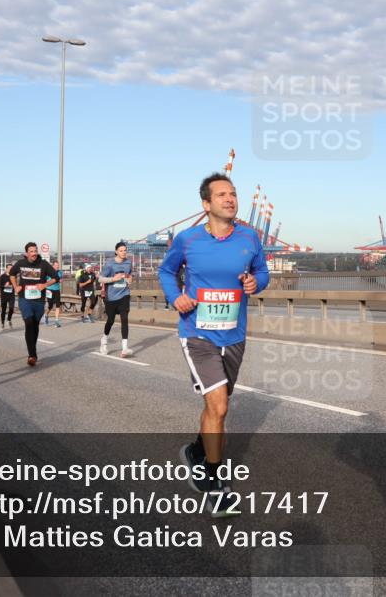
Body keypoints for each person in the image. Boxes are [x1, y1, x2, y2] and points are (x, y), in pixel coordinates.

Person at [159, 173, 269, 517]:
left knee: (215, 407)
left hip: (234, 334)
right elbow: (166, 272)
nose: (230, 199)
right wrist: (176, 298)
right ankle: (215, 483)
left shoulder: (250, 237)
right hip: (197, 333)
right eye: (222, 195)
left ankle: (196, 450)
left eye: (233, 194)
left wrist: (255, 282)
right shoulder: (187, 239)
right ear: (206, 204)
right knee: (219, 407)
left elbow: (263, 272)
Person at [9, 242, 58, 366]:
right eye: (31, 251)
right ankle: (32, 355)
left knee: (35, 326)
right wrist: (15, 287)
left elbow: (56, 277)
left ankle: (33, 352)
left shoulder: (44, 264)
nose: (34, 253)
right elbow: (12, 274)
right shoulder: (21, 263)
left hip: (39, 300)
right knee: (29, 322)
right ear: (27, 253)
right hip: (24, 299)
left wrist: (44, 285)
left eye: (35, 251)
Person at [98, 244, 134, 356]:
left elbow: (129, 275)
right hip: (111, 297)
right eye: (121, 250)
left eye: (125, 250)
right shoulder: (110, 264)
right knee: (111, 320)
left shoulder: (128, 262)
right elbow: (100, 278)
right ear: (116, 252)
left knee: (124, 319)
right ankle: (104, 340)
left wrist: (129, 279)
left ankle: (124, 348)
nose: (124, 252)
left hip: (124, 294)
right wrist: (113, 279)